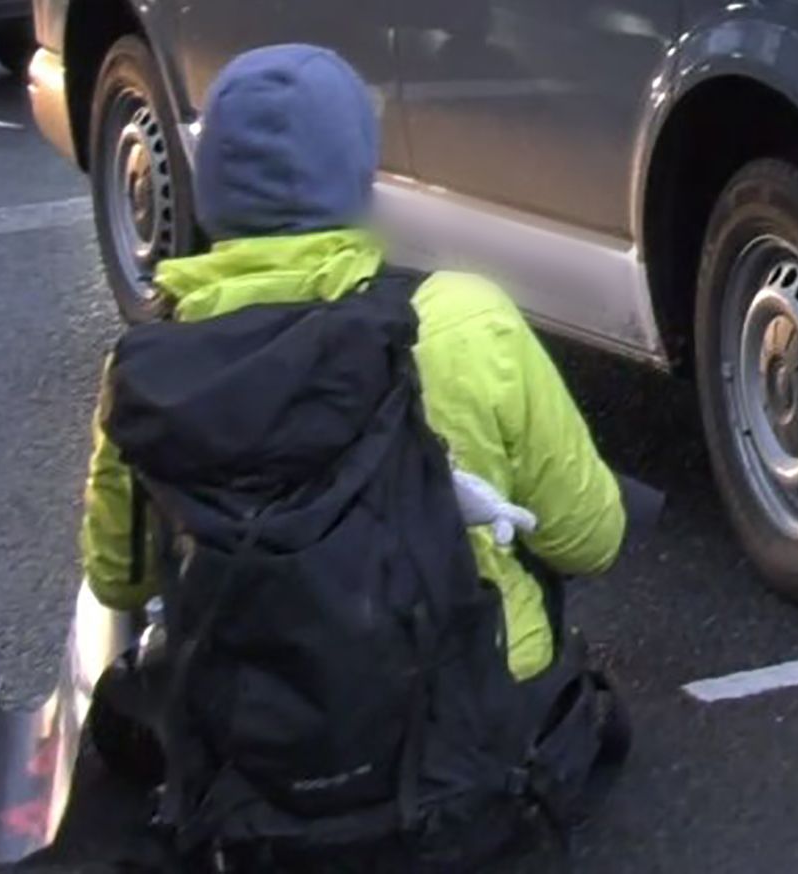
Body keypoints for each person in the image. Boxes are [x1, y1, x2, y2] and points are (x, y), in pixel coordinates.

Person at [80, 46, 629, 868]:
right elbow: (593, 539)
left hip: (252, 758)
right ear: (361, 181)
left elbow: (117, 581)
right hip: (458, 750)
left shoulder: (154, 364)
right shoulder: (460, 318)